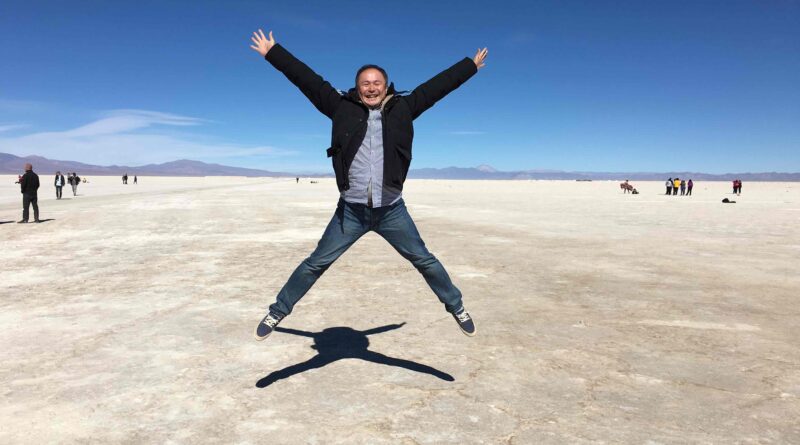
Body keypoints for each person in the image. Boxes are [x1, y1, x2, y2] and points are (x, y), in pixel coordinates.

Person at [249, 28, 486, 341]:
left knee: (424, 259)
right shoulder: (340, 108)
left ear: (386, 86)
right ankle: (278, 310)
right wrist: (274, 53)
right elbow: (308, 80)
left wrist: (468, 66)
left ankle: (455, 305)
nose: (371, 88)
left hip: (391, 210)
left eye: (376, 83)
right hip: (351, 213)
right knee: (315, 263)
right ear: (357, 88)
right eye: (365, 83)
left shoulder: (404, 108)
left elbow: (436, 88)